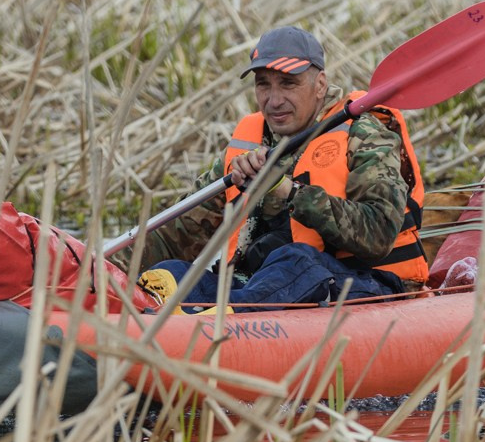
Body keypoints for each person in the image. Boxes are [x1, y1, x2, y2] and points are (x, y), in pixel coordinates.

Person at [141, 23, 429, 307]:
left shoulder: (364, 134)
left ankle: (226, 316)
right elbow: (176, 232)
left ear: (320, 85)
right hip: (263, 286)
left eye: (288, 83)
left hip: (366, 282)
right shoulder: (251, 144)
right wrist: (107, 267)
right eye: (263, 84)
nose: (274, 100)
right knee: (173, 271)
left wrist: (289, 192)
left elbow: (378, 236)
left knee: (295, 262)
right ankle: (216, 311)